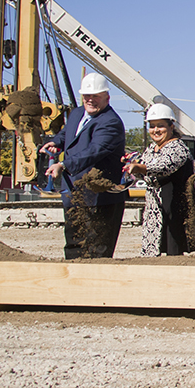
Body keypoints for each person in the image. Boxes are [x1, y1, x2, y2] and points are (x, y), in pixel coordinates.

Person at [40, 73, 126, 259]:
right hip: (74, 192)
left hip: (100, 198)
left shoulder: (110, 122)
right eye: (87, 96)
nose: (90, 100)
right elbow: (67, 133)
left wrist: (63, 164)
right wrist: (56, 142)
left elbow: (94, 151)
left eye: (96, 96)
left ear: (107, 97)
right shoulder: (77, 113)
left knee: (97, 248)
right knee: (73, 243)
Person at [123, 103, 195, 256]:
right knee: (153, 255)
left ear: (171, 126)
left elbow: (163, 167)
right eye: (152, 126)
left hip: (174, 211)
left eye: (160, 126)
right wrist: (131, 166)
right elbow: (142, 173)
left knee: (173, 254)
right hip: (154, 212)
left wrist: (138, 167)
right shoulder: (151, 149)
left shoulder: (178, 148)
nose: (155, 130)